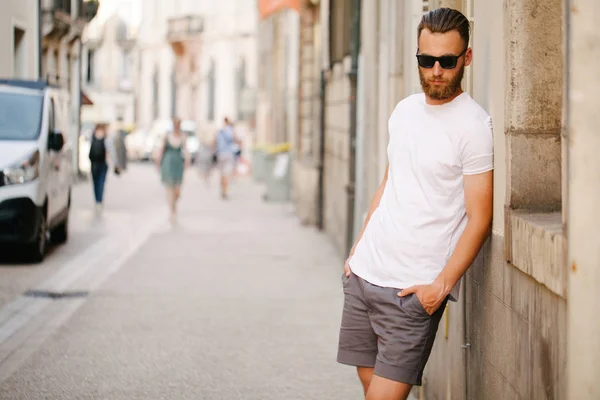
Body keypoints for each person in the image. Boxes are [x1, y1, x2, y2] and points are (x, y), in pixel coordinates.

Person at [337, 8, 493, 400]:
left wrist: (439, 288)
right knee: (369, 386)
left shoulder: (474, 126)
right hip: (365, 275)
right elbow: (390, 183)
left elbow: (480, 218)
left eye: (447, 61)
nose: (437, 70)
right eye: (427, 60)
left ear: (466, 59)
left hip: (411, 293)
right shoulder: (404, 111)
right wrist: (357, 250)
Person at [155, 118, 190, 224]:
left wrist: (187, 162)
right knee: (169, 189)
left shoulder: (183, 136)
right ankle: (172, 211)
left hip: (178, 164)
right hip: (168, 163)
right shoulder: (167, 136)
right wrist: (158, 161)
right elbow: (162, 149)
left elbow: (186, 150)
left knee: (177, 190)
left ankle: (174, 206)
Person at [88, 123, 119, 213]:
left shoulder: (93, 137)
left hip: (94, 164)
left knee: (95, 183)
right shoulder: (106, 138)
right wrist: (116, 164)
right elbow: (112, 152)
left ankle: (97, 200)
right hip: (103, 164)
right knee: (101, 182)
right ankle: (99, 202)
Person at [213, 117, 241, 199]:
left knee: (222, 174)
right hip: (228, 154)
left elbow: (214, 142)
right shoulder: (231, 130)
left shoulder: (219, 131)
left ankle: (222, 190)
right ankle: (225, 191)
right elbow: (236, 140)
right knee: (226, 174)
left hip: (220, 154)